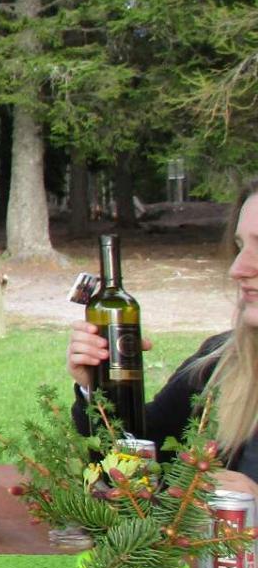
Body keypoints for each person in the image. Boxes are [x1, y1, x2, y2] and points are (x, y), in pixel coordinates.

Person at [67, 179, 258, 498]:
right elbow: (137, 458)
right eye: (240, 247)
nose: (238, 268)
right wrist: (99, 387)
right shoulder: (218, 365)